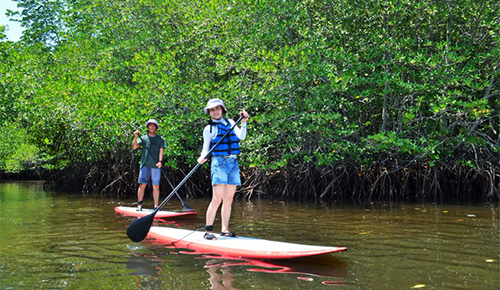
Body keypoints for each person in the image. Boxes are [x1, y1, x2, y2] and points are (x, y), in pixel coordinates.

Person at [197, 98, 249, 240]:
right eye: (212, 110)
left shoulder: (231, 123)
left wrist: (244, 123)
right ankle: (208, 231)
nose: (215, 112)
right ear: (209, 112)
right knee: (217, 198)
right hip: (218, 164)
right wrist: (202, 158)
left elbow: (241, 137)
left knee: (229, 198)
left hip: (233, 163)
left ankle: (225, 230)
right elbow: (205, 149)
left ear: (222, 109)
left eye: (217, 109)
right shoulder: (209, 128)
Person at [132, 119, 166, 211]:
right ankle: (139, 205)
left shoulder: (160, 139)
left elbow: (161, 151)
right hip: (145, 165)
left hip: (156, 166)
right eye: (150, 125)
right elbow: (134, 147)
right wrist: (135, 137)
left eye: (153, 125)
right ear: (148, 127)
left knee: (156, 186)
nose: (152, 127)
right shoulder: (144, 138)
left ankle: (156, 207)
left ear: (156, 128)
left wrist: (160, 161)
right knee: (142, 184)